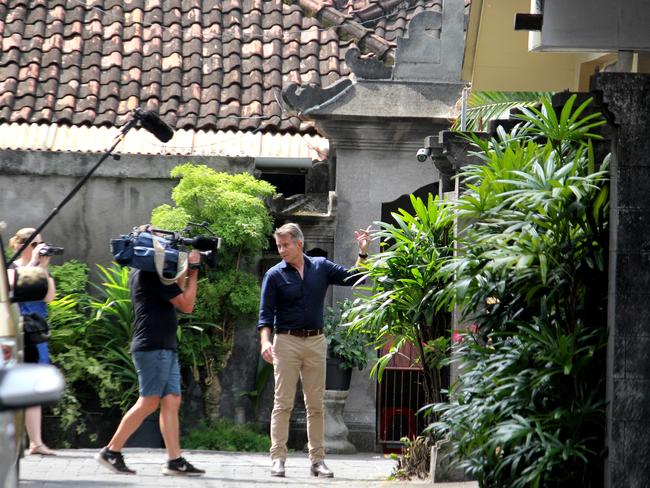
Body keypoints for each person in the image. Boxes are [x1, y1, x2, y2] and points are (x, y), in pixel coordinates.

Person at [258, 222, 370, 478]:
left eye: (285, 245)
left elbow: (355, 277)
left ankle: (317, 461)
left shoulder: (320, 266)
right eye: (278, 246)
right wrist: (266, 342)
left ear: (299, 244)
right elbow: (264, 317)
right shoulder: (274, 275)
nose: (282, 250)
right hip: (285, 342)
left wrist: (362, 252)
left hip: (316, 341)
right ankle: (278, 459)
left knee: (315, 405)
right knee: (282, 404)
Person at [95, 225, 205, 476]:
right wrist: (195, 271)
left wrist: (182, 265)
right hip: (153, 345)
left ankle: (175, 460)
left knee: (171, 400)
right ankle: (111, 451)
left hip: (163, 345)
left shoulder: (149, 271)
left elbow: (175, 288)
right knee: (149, 401)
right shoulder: (150, 274)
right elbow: (186, 305)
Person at [8, 228, 57, 456]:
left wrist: (43, 269)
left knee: (33, 388)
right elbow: (13, 286)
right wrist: (34, 264)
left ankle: (36, 442)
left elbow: (49, 297)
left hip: (36, 332)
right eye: (32, 243)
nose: (37, 247)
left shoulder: (41, 269)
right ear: (18, 245)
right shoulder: (10, 267)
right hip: (14, 332)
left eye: (40, 243)